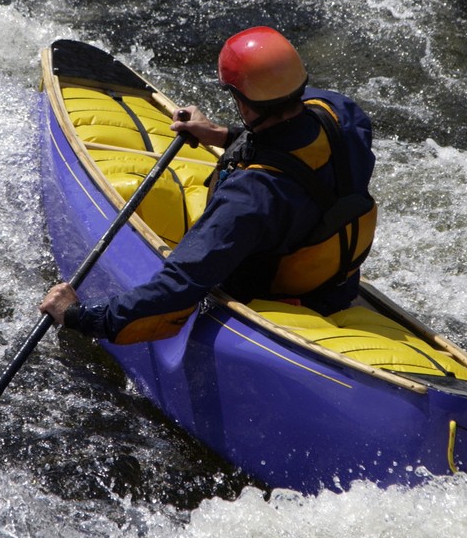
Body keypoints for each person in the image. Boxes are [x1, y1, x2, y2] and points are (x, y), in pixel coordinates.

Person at [40, 26, 377, 344]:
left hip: (270, 297)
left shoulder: (249, 196)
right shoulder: (341, 113)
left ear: (242, 101)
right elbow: (297, 147)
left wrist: (76, 314)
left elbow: (174, 291)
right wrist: (222, 135)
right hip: (336, 286)